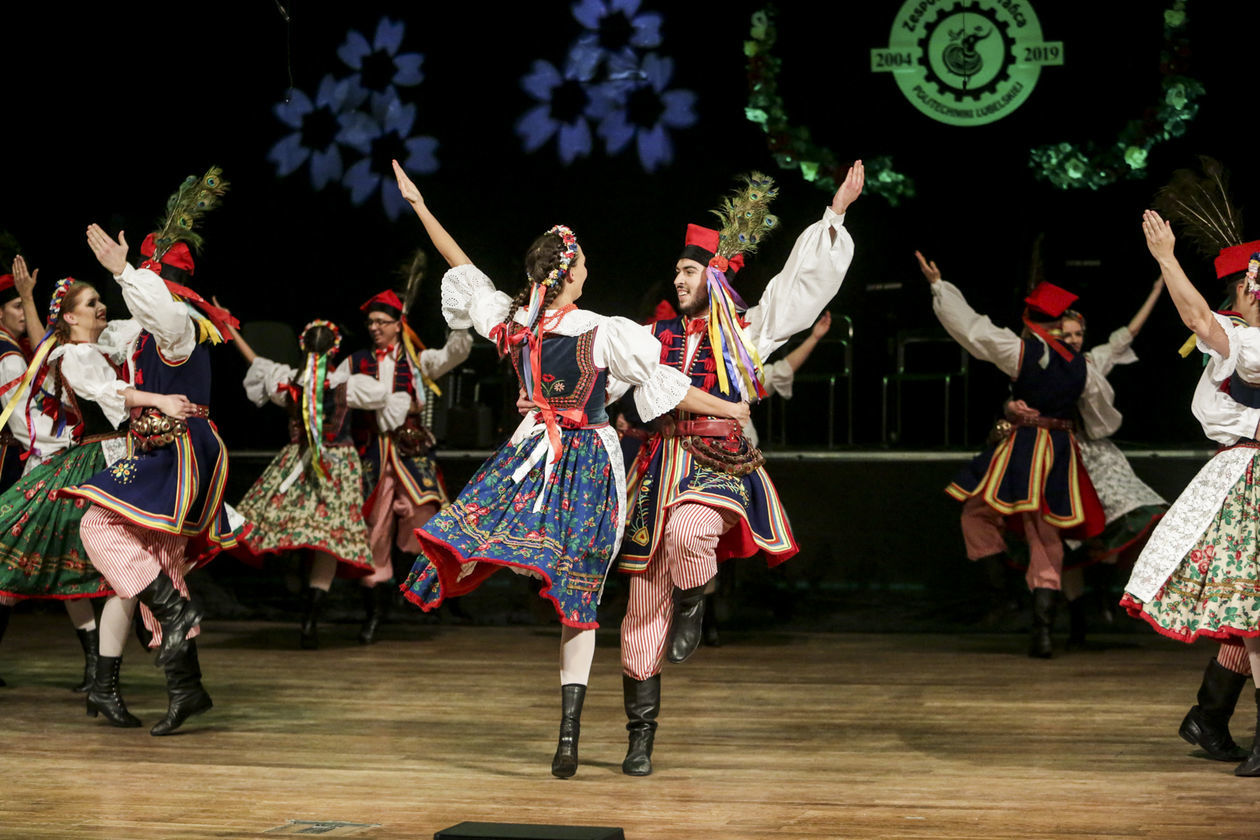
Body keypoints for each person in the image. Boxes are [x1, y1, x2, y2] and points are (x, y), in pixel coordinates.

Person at [390, 160, 746, 778]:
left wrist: (421, 208)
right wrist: (731, 407)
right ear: (567, 274)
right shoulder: (602, 331)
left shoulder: (514, 323)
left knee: (493, 533)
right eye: (581, 264)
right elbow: (666, 385)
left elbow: (463, 267)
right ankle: (567, 736)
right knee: (579, 594)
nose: (587, 271)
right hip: (586, 462)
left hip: (529, 455)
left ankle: (569, 738)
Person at [617, 163, 862, 776]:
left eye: (689, 270)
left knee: (689, 531)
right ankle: (640, 736)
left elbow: (798, 286)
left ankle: (694, 599)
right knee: (641, 607)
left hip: (717, 461)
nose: (678, 279)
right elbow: (602, 361)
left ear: (716, 276)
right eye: (677, 270)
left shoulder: (748, 331)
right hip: (658, 464)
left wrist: (834, 214)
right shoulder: (651, 335)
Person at [66, 166, 241, 736]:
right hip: (165, 452)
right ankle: (186, 687)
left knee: (97, 524)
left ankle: (172, 613)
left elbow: (159, 310)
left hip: (179, 451)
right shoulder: (143, 333)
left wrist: (126, 271)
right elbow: (97, 338)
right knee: (159, 563)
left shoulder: (177, 326)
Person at [1122, 208, 1260, 776]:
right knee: (1252, 607)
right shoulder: (1236, 337)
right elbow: (1199, 317)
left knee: (1249, 610)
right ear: (1247, 290)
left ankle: (1210, 716)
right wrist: (1166, 258)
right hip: (1248, 476)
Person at [916, 250, 1105, 659]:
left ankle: (1008, 596)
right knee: (1045, 536)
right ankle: (1040, 630)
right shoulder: (1082, 366)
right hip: (1060, 449)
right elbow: (1101, 416)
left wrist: (939, 287)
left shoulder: (1022, 352)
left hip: (1027, 448)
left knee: (977, 513)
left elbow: (973, 329)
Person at [222, 312, 410, 648]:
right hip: (336, 467)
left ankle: (305, 608)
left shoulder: (288, 381)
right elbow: (383, 395)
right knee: (329, 542)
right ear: (334, 350)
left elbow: (258, 363)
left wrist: (230, 331)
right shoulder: (348, 384)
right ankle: (311, 619)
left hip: (297, 462)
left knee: (288, 528)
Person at [337, 283, 471, 644]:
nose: (374, 328)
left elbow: (452, 355)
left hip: (411, 454)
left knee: (425, 517)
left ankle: (429, 593)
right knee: (373, 529)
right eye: (370, 323)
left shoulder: (417, 360)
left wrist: (460, 322)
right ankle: (374, 615)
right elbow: (329, 389)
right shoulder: (355, 362)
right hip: (373, 455)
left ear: (398, 325)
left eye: (381, 322)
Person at [1052, 282, 1168, 648]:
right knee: (1068, 541)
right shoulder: (1041, 366)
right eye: (1066, 334)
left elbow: (1127, 334)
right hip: (1060, 454)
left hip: (1097, 455)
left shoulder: (1092, 360)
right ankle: (1077, 619)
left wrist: (1156, 289)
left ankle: (1102, 590)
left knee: (1128, 511)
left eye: (1077, 333)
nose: (1073, 339)